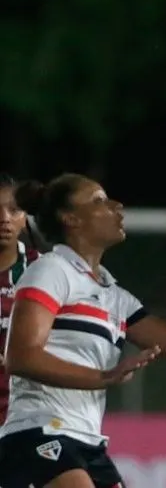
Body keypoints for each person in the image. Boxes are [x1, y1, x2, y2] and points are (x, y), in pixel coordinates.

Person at [0, 173, 166, 488]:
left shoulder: (114, 296)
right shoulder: (50, 270)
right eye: (99, 201)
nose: (117, 206)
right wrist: (103, 377)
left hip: (86, 442)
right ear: (70, 218)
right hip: (38, 433)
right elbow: (20, 357)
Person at [0, 173, 41, 424]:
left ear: (25, 217)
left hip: (28, 413)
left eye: (14, 210)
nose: (4, 219)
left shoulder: (45, 270)